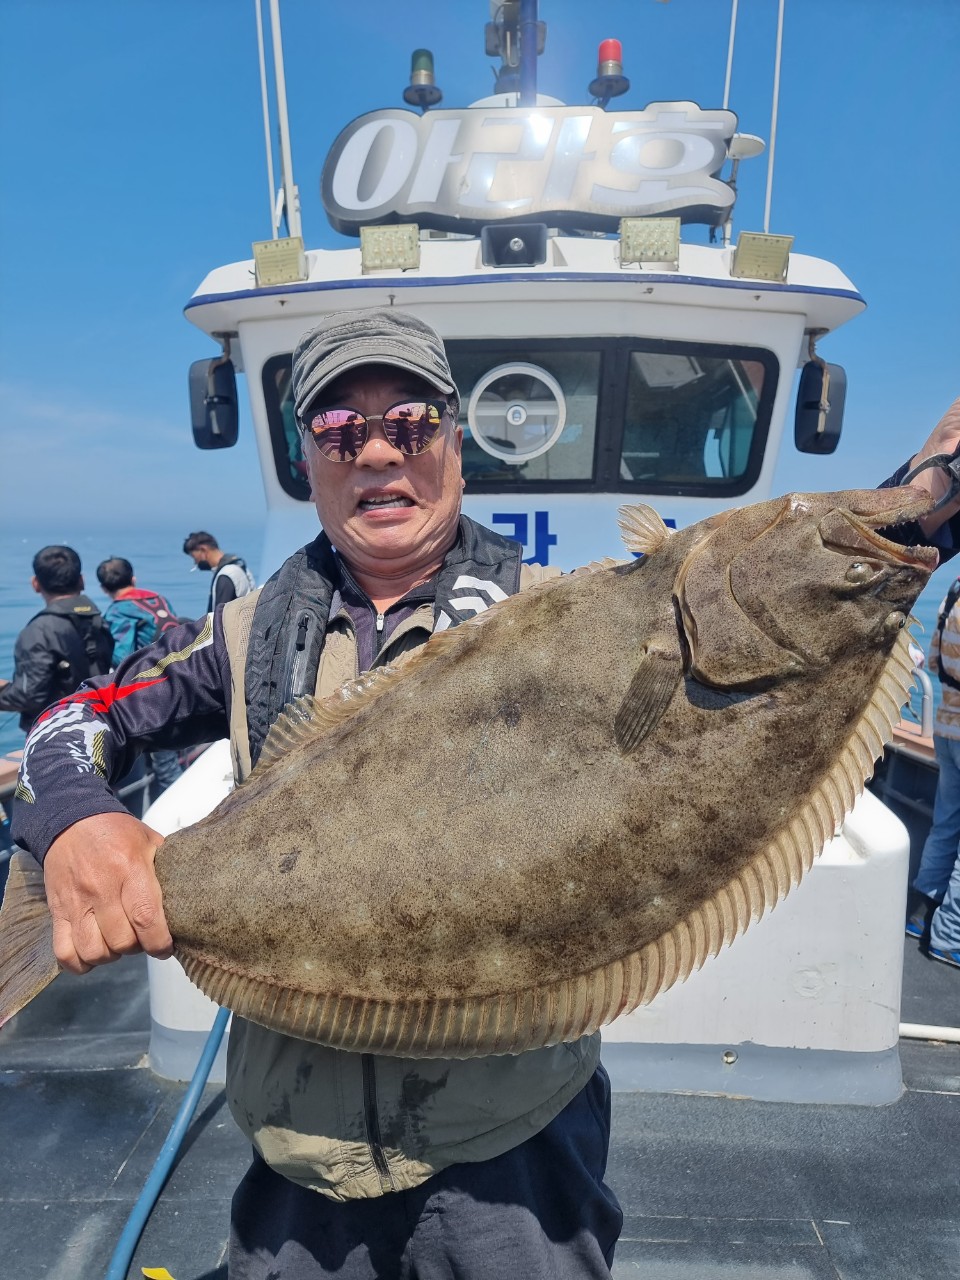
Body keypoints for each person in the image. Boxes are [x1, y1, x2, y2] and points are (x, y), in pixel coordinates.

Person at [9, 316, 960, 1278]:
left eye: (412, 424)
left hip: (516, 1155)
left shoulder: (558, 607)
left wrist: (926, 500)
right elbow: (74, 719)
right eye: (341, 430)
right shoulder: (243, 633)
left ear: (456, 444)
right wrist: (76, 821)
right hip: (297, 1155)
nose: (378, 452)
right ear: (309, 460)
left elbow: (785, 611)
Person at [905, 576, 960, 969]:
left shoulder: (955, 590)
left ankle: (920, 915)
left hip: (946, 725)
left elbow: (936, 660)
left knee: (946, 825)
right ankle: (950, 936)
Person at [0, 545, 113, 732]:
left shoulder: (38, 631)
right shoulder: (99, 622)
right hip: (99, 724)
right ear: (82, 581)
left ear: (35, 584)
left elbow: (29, 696)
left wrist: (4, 691)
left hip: (55, 735)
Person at [95, 556, 184, 797]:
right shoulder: (158, 599)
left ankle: (175, 819)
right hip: (182, 679)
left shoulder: (118, 610)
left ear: (103, 588)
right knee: (174, 754)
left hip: (153, 691)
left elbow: (121, 656)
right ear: (133, 579)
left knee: (165, 766)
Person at [182, 531, 255, 612]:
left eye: (194, 557)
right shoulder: (239, 566)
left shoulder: (226, 575)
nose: (195, 563)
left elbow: (219, 619)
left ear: (203, 550)